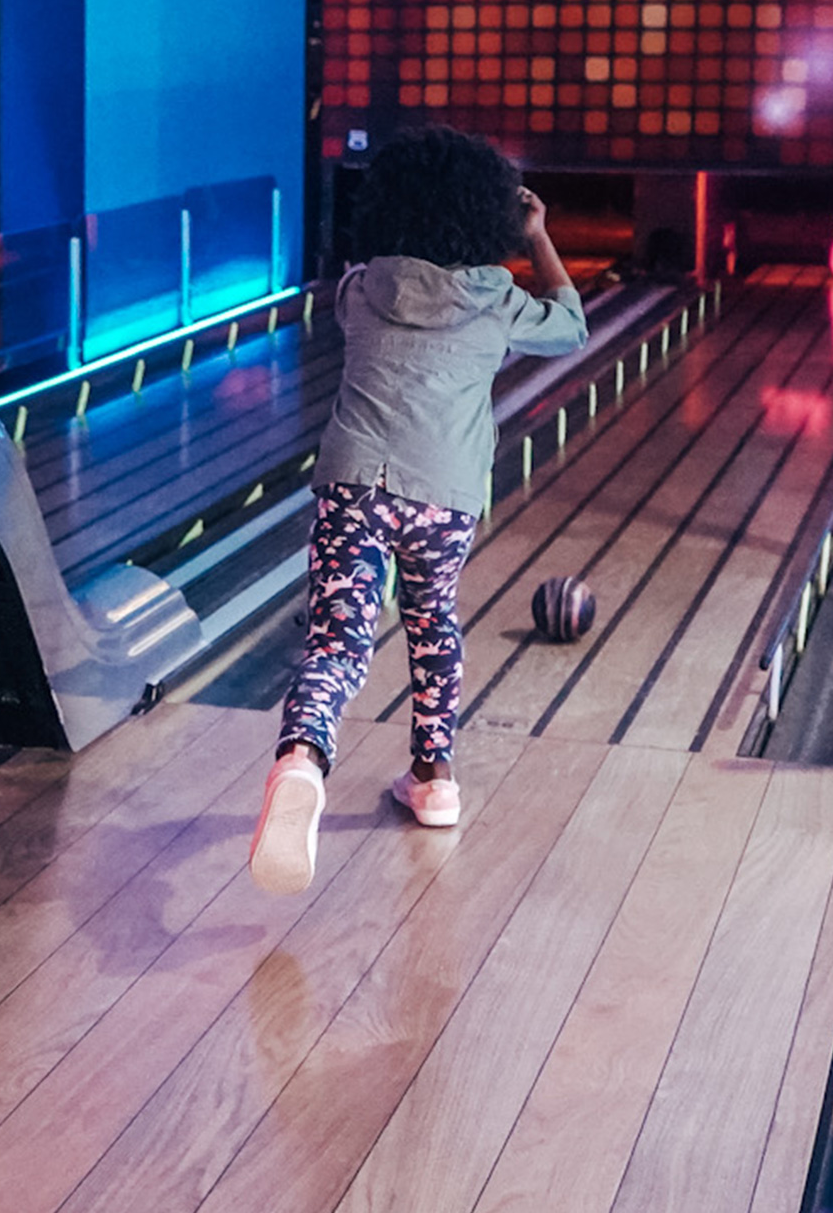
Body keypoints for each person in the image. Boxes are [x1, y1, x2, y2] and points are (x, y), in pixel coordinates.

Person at [249, 126, 588, 896]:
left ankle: (303, 758)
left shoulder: (360, 288)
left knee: (337, 642)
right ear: (486, 218)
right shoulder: (498, 300)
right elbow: (571, 327)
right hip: (445, 493)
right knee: (433, 620)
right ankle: (434, 780)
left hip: (354, 482)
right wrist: (536, 239)